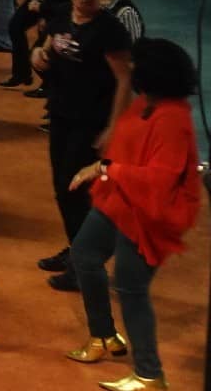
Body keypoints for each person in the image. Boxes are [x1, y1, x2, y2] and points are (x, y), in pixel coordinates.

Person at [62, 37, 201, 389]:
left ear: (155, 74)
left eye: (137, 65)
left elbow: (159, 179)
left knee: (131, 289)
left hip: (149, 215)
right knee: (84, 255)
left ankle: (150, 375)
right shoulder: (145, 104)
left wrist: (105, 170)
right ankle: (104, 337)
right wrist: (105, 167)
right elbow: (124, 154)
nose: (132, 69)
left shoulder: (173, 120)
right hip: (121, 201)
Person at [33, 0, 133, 290]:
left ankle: (86, 264)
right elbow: (48, 50)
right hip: (61, 114)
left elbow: (124, 80)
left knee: (76, 191)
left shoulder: (109, 30)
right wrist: (40, 57)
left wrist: (113, 128)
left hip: (91, 122)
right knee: (62, 189)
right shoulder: (62, 15)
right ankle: (78, 251)